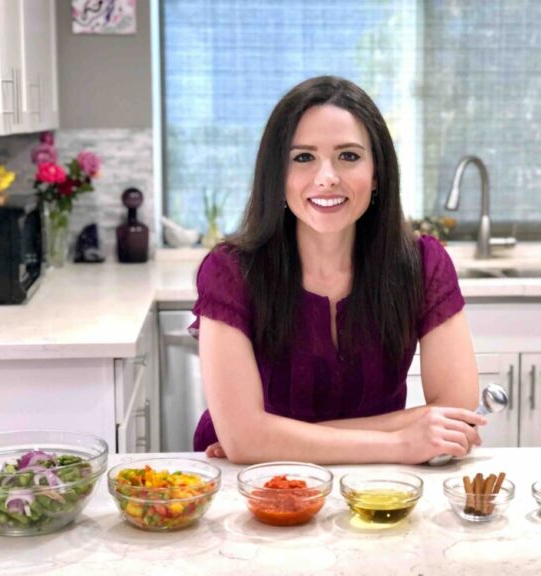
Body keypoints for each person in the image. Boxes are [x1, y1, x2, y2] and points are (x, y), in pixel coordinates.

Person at [189, 76, 485, 465]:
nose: (326, 177)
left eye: (348, 156)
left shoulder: (423, 264)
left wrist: (272, 439)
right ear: (277, 175)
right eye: (303, 157)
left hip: (378, 487)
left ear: (377, 173)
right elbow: (245, 440)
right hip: (252, 488)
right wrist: (402, 436)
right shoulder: (230, 271)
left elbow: (456, 419)